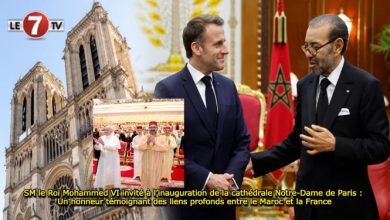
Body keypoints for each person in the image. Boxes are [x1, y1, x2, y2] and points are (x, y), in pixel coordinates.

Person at [247, 14, 390, 220]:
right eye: (306, 46)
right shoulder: (305, 85)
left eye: (315, 47)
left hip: (347, 207)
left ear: (337, 45)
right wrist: (255, 161)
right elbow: (298, 142)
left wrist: (336, 145)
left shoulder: (366, 86)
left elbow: (380, 148)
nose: (308, 54)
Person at [154, 14, 250, 220]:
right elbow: (165, 152)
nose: (226, 49)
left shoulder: (228, 87)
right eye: (218, 44)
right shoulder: (167, 89)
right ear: (196, 48)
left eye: (224, 42)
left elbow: (242, 142)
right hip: (186, 208)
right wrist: (207, 179)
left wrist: (228, 181)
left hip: (224, 206)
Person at [140, 121, 169, 188]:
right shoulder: (145, 137)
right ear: (148, 128)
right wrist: (147, 142)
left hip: (157, 161)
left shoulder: (162, 137)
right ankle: (145, 190)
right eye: (151, 127)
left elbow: (166, 148)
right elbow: (141, 147)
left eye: (154, 127)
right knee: (146, 174)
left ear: (157, 128)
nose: (152, 129)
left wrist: (155, 142)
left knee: (156, 175)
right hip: (146, 161)